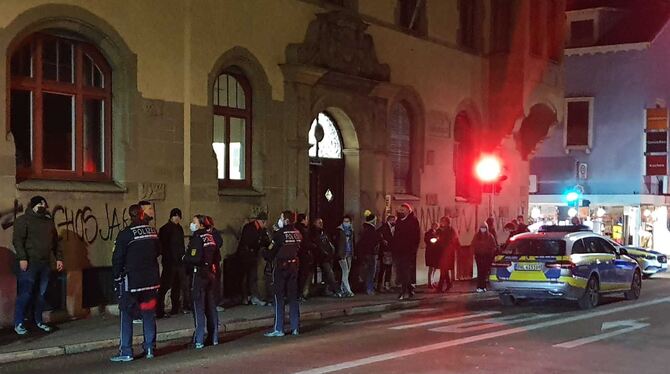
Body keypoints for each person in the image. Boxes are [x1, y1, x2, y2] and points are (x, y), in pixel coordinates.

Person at [110, 204, 161, 362]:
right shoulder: (153, 232)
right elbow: (158, 251)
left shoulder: (126, 234)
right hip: (151, 281)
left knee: (126, 314)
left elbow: (117, 258)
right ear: (141, 214)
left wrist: (117, 276)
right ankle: (150, 348)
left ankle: (126, 351)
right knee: (148, 314)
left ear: (130, 216)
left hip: (132, 282)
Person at [13, 196, 63, 336]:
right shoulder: (23, 221)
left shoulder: (48, 222)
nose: (44, 206)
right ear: (35, 205)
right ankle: (19, 322)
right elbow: (17, 240)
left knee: (41, 294)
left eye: (44, 204)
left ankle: (38, 321)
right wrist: (22, 258)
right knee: (25, 293)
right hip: (30, 263)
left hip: (45, 263)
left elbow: (55, 242)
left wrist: (59, 258)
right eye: (41, 204)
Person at [182, 215, 222, 349]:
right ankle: (214, 337)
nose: (192, 224)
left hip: (199, 275)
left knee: (198, 307)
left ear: (200, 224)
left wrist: (185, 258)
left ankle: (199, 340)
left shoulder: (197, 237)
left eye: (194, 222)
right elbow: (216, 254)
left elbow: (195, 257)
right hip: (210, 273)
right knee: (210, 307)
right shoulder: (210, 237)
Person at [264, 210, 302, 337]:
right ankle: (295, 327)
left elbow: (270, 253)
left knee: (278, 297)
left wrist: (264, 250)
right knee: (293, 297)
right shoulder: (297, 233)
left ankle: (278, 328)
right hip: (294, 266)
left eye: (281, 218)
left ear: (286, 220)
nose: (279, 220)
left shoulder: (280, 234)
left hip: (281, 267)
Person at [236, 212, 270, 306]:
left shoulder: (261, 230)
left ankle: (252, 296)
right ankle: (245, 297)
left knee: (252, 276)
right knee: (245, 277)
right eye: (265, 222)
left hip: (253, 256)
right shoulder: (249, 228)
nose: (266, 224)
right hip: (245, 255)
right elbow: (249, 241)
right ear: (262, 221)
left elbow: (265, 241)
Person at [157, 208, 185, 318]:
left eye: (178, 216)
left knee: (177, 286)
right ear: (171, 216)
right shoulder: (165, 229)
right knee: (165, 286)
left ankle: (175, 308)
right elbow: (163, 246)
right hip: (170, 262)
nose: (177, 218)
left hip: (179, 262)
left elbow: (181, 245)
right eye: (175, 216)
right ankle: (160, 309)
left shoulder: (179, 228)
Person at [391, 203, 421, 300]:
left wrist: (413, 249)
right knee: (401, 271)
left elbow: (416, 237)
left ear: (408, 211)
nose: (401, 212)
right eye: (400, 210)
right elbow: (396, 236)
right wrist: (394, 247)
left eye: (403, 210)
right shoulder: (399, 221)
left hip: (408, 251)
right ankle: (410, 288)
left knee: (405, 271)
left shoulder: (413, 221)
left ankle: (403, 292)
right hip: (399, 250)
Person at [310, 217, 340, 297]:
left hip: (329, 256)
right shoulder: (314, 233)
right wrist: (324, 253)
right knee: (330, 273)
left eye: (321, 222)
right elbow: (318, 245)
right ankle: (336, 290)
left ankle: (326, 290)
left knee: (327, 274)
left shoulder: (324, 232)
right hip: (323, 257)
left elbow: (328, 242)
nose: (321, 224)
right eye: (319, 223)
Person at [356, 210, 380, 295]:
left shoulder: (364, 229)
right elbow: (373, 241)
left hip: (364, 253)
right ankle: (369, 289)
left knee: (366, 271)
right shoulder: (371, 230)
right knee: (370, 272)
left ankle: (366, 287)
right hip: (370, 253)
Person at [472, 222, 497, 293]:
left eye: (484, 228)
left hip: (487, 256)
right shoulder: (477, 236)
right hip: (479, 256)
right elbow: (473, 245)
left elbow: (493, 246)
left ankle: (483, 286)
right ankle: (479, 286)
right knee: (480, 271)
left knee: (484, 272)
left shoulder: (490, 236)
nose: (483, 229)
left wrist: (491, 254)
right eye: (481, 227)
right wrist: (474, 252)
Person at [436, 216, 459, 293]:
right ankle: (448, 284)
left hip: (448, 252)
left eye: (444, 221)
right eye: (441, 221)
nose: (442, 223)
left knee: (444, 269)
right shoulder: (439, 230)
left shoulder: (451, 230)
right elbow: (435, 237)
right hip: (440, 252)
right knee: (444, 270)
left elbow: (453, 240)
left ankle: (440, 287)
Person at [334, 215, 355, 297]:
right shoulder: (339, 231)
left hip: (349, 253)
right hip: (342, 254)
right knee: (345, 271)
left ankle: (342, 289)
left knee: (346, 272)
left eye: (348, 221)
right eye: (345, 221)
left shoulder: (351, 231)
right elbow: (337, 243)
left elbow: (352, 242)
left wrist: (353, 253)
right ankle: (348, 290)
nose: (346, 223)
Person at [295, 213, 314, 300]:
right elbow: (305, 243)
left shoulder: (296, 228)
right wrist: (312, 245)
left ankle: (300, 293)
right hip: (303, 256)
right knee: (303, 275)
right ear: (303, 220)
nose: (307, 221)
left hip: (298, 255)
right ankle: (301, 293)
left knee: (299, 275)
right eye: (306, 219)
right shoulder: (303, 230)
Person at [376, 215, 395, 293]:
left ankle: (386, 285)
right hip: (385, 251)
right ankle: (380, 286)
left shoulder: (393, 228)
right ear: (390, 220)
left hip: (390, 250)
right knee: (383, 268)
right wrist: (383, 240)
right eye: (393, 220)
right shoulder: (384, 227)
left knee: (388, 268)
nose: (394, 222)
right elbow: (378, 233)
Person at [423, 222, 440, 288]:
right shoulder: (428, 233)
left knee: (435, 267)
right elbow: (427, 241)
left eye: (436, 226)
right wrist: (435, 240)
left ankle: (432, 281)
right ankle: (429, 282)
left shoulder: (437, 233)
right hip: (430, 252)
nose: (435, 227)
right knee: (431, 267)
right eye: (434, 226)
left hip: (435, 252)